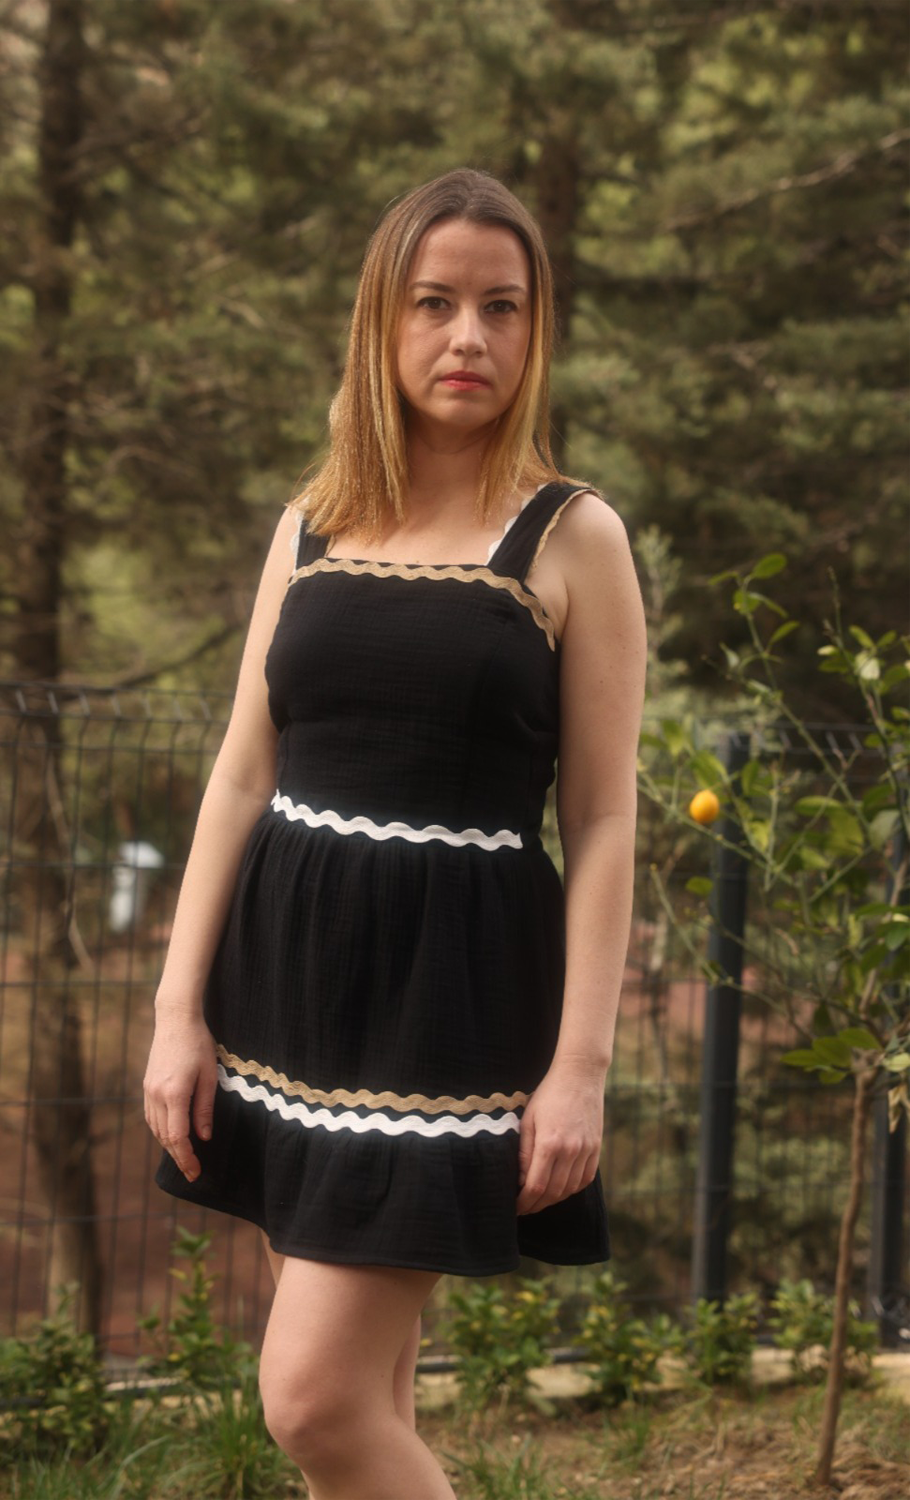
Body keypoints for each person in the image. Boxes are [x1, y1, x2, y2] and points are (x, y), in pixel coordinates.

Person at [143, 166, 647, 1500]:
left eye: (501, 306)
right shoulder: (313, 523)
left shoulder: (573, 536)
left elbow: (602, 817)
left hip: (447, 1015)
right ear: (382, 319)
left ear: (536, 329)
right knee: (366, 1399)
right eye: (434, 303)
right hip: (286, 996)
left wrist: (581, 1067)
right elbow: (241, 776)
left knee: (310, 1403)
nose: (468, 336)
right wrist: (177, 1012)